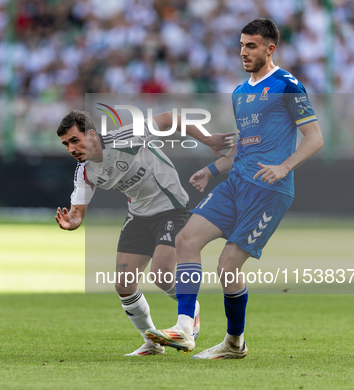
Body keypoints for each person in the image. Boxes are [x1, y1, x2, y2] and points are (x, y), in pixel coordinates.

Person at [145, 18, 324, 358]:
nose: (243, 51)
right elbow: (246, 144)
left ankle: (234, 343)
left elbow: (315, 138)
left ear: (270, 49)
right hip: (235, 183)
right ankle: (184, 327)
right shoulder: (240, 93)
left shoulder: (288, 84)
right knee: (186, 239)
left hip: (270, 190)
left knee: (227, 267)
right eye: (241, 44)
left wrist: (284, 167)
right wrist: (211, 170)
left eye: (251, 46)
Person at [55, 109, 235, 356]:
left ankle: (189, 309)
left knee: (161, 275)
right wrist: (72, 222)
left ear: (93, 135)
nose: (71, 149)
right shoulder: (85, 171)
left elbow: (169, 118)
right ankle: (152, 342)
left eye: (75, 140)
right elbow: (77, 212)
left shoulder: (125, 138)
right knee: (124, 284)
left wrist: (206, 139)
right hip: (138, 216)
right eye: (66, 144)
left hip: (171, 207)